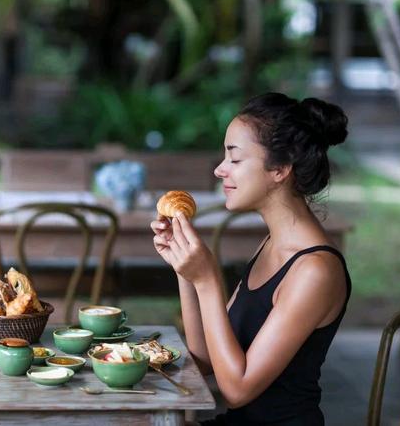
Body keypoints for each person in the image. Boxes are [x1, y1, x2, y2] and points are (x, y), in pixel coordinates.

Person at [150, 92, 351, 425]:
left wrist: (208, 278)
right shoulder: (272, 244)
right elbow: (205, 361)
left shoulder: (315, 270)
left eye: (235, 159)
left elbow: (237, 389)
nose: (219, 170)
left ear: (280, 169)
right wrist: (184, 269)